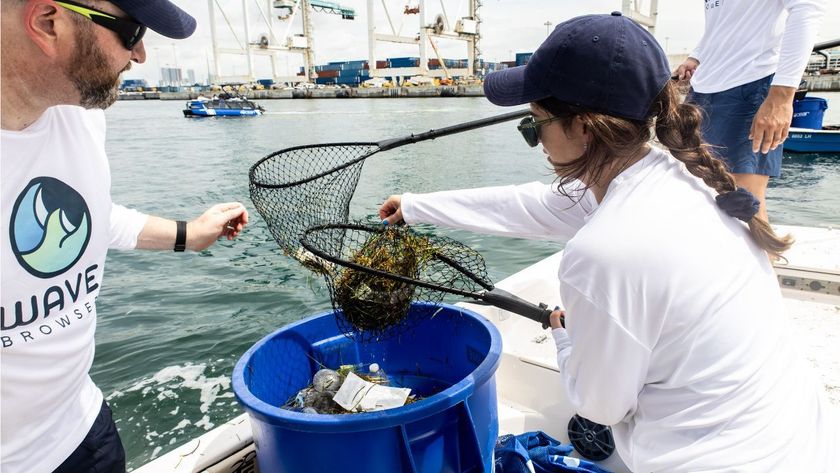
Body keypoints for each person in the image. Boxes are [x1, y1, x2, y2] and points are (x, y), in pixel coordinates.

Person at [379, 12, 837, 472]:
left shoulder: (605, 252)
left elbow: (601, 408)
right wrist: (417, 206)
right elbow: (537, 205)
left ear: (582, 127)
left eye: (534, 124)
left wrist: (564, 339)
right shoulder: (680, 177)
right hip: (801, 443)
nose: (536, 140)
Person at [0, 1, 249, 472]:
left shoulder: (81, 116)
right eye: (132, 32)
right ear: (48, 22)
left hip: (82, 430)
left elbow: (92, 212)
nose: (140, 56)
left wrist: (188, 235)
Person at [675, 0, 826, 222]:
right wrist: (697, 56)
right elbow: (722, 21)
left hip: (750, 83)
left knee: (744, 206)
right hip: (702, 88)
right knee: (694, 191)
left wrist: (781, 96)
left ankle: (766, 257)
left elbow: (808, 8)